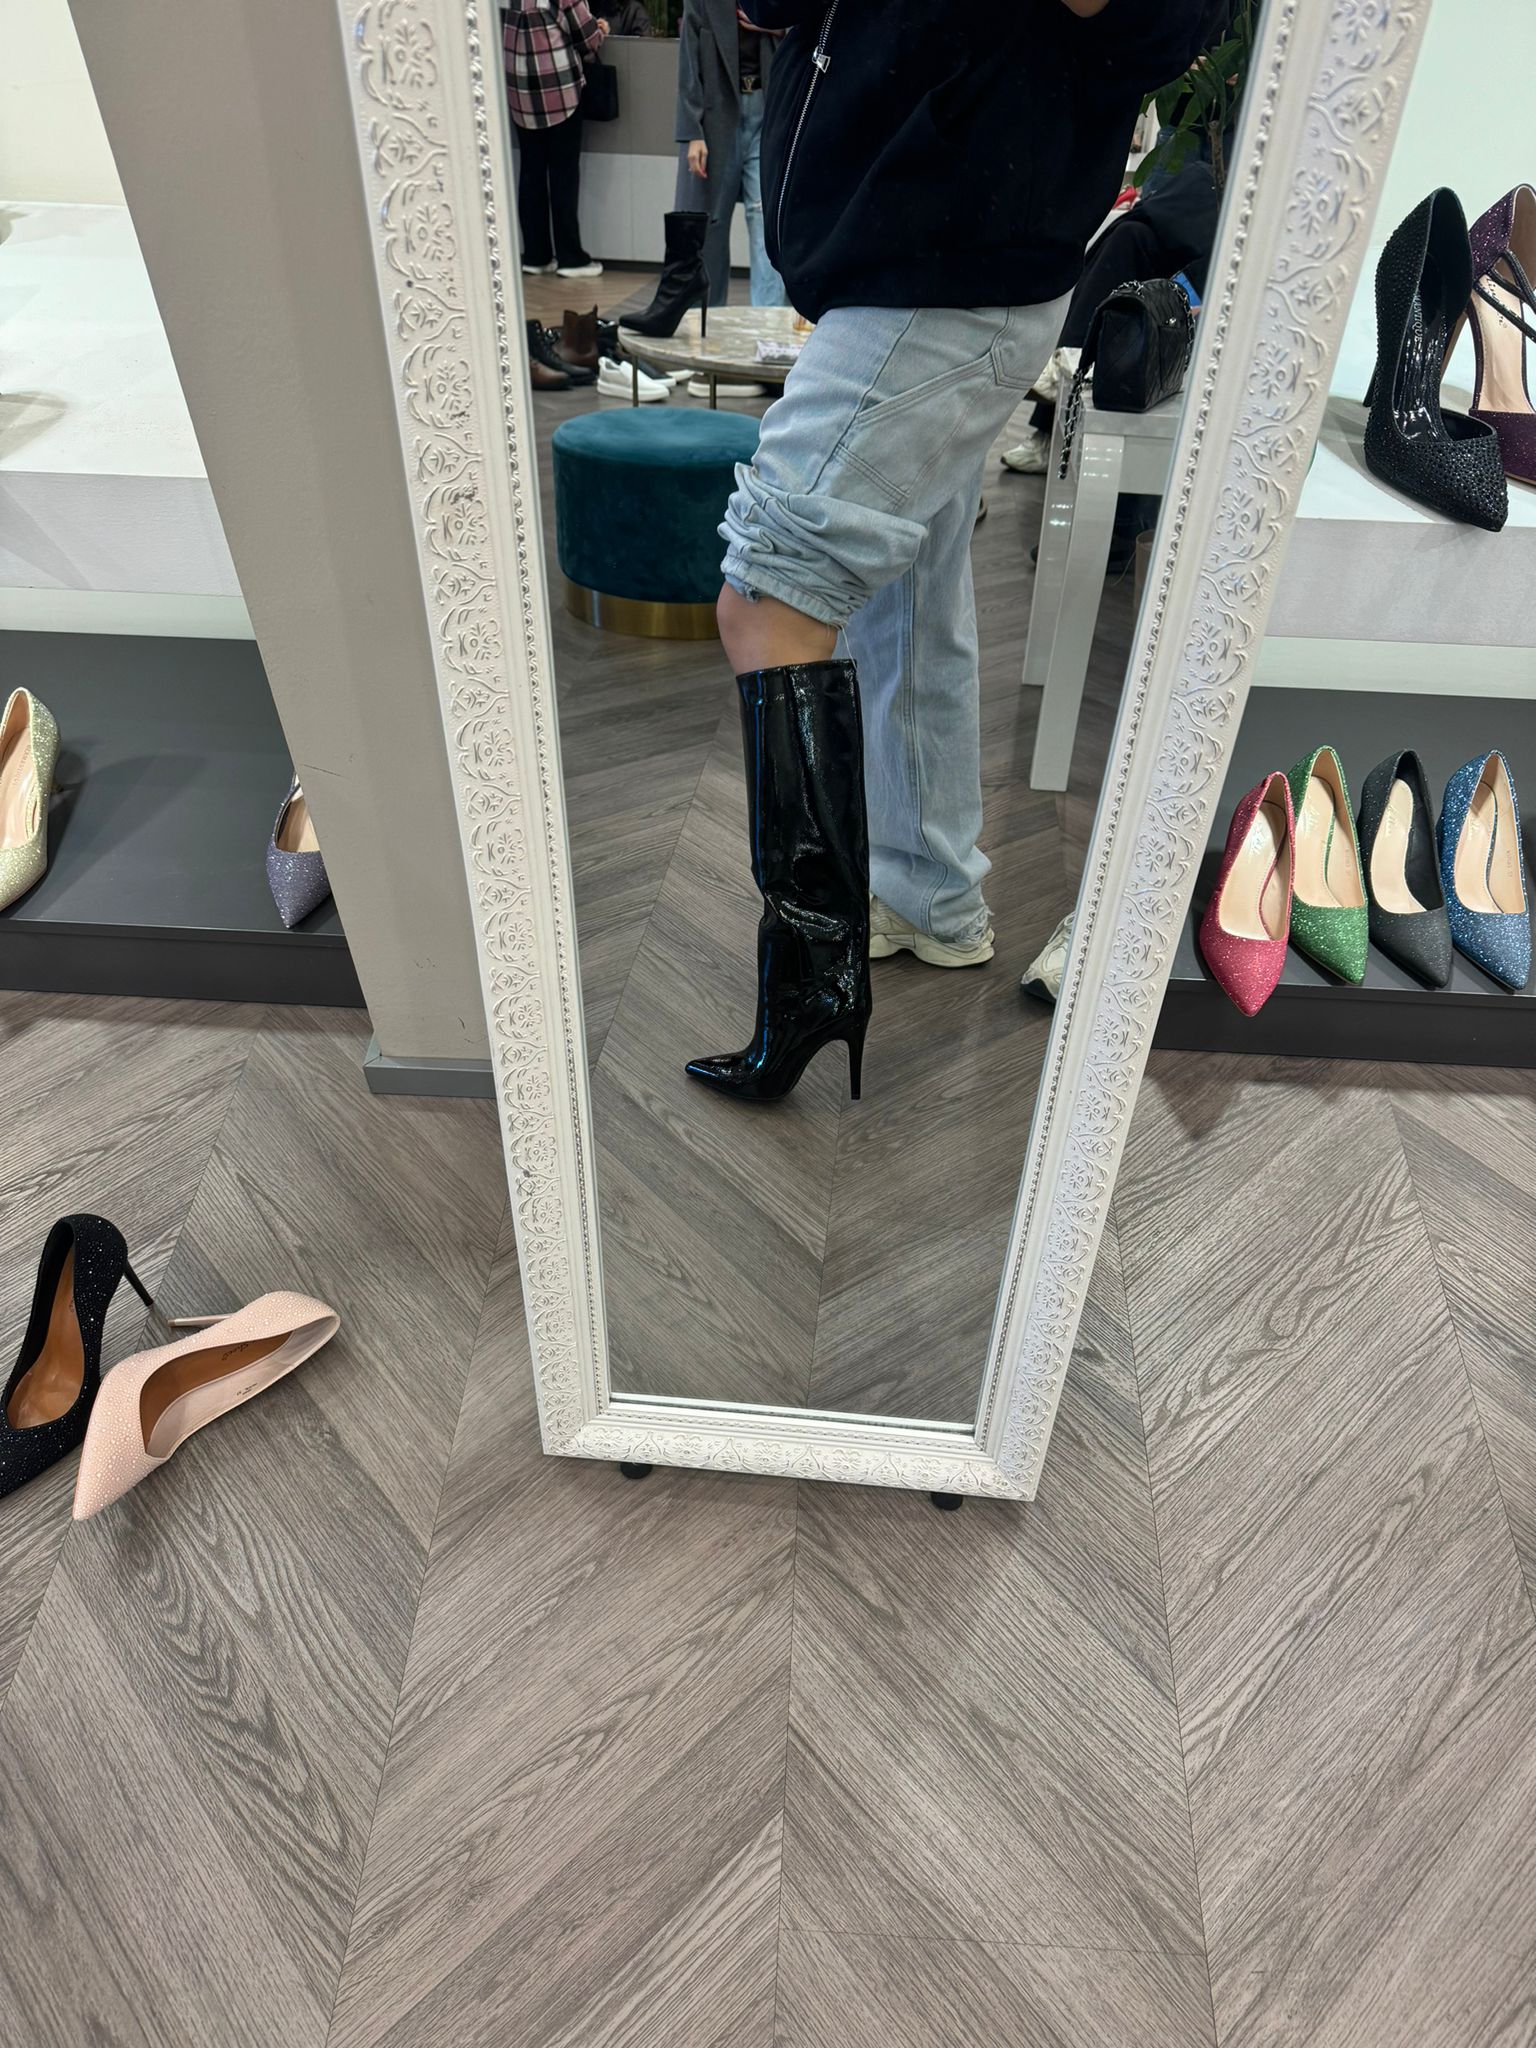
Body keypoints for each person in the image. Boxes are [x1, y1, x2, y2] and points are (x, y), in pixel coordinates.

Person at [684, 0, 1225, 1104]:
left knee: (768, 594)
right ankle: (929, 892)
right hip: (904, 254)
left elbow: (1160, 24)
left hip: (954, 262)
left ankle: (812, 978)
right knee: (908, 595)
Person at [675, 0, 788, 307]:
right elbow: (688, 57)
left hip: (768, 110)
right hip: (718, 116)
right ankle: (707, 316)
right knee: (712, 222)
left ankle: (769, 320)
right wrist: (692, 133)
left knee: (766, 220)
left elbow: (812, 28)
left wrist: (778, 26)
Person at [504, 0, 609, 281]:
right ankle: (570, 257)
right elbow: (587, 37)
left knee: (531, 172)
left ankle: (536, 255)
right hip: (558, 90)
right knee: (564, 175)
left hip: (520, 92)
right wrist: (602, 29)